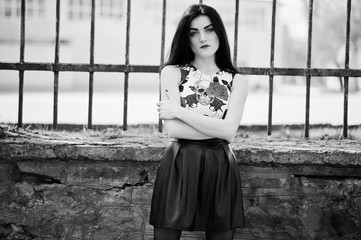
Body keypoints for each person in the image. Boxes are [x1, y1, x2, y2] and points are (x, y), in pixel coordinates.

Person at [150, 3, 248, 240]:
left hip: (220, 165)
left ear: (219, 33)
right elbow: (172, 129)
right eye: (194, 32)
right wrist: (216, 129)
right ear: (187, 38)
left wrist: (180, 111)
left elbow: (228, 132)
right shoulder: (172, 73)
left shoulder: (237, 81)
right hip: (179, 163)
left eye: (209, 29)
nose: (203, 37)